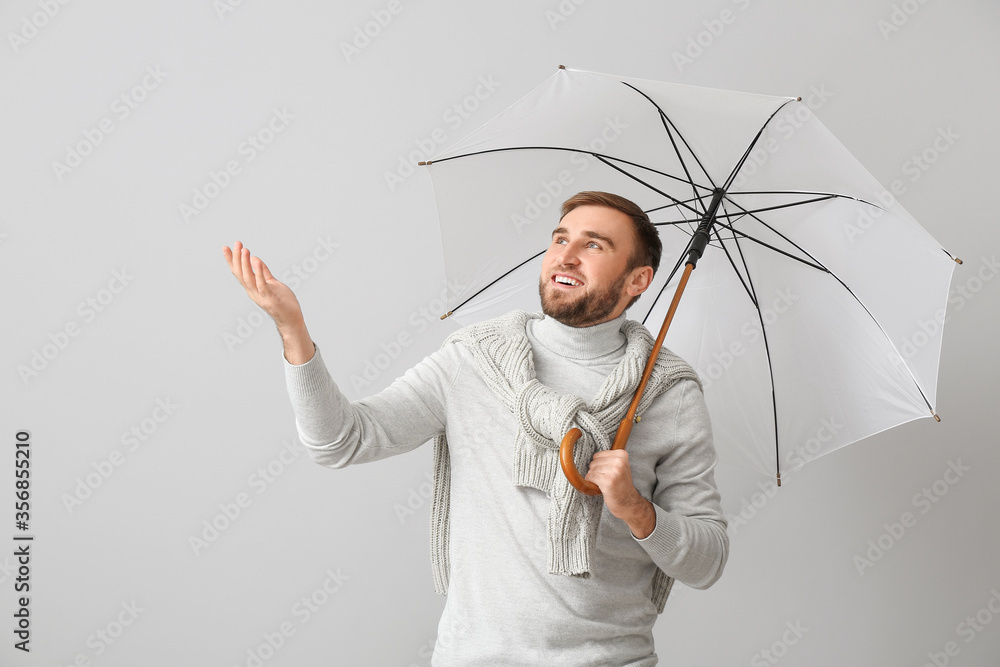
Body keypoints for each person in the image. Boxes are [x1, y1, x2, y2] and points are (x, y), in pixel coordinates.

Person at [222, 191, 728, 666]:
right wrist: (293, 330)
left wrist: (636, 510)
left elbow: (707, 562)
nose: (566, 255)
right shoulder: (476, 360)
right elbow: (341, 441)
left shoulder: (668, 392)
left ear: (638, 280)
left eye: (593, 245)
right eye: (560, 238)